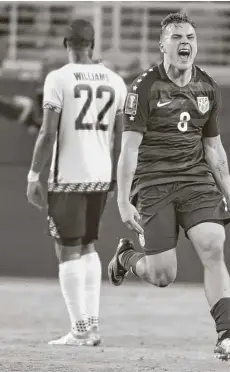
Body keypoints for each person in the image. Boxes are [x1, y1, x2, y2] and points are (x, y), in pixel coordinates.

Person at [108, 13, 230, 361]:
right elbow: (128, 149)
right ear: (162, 45)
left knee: (213, 245)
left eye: (189, 35)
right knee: (162, 276)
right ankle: (126, 256)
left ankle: (226, 337)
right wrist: (122, 201)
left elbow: (213, 148)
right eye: (175, 37)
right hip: (154, 183)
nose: (184, 41)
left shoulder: (207, 87)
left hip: (194, 180)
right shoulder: (143, 88)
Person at [26, 19, 127, 346]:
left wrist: (33, 174)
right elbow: (120, 137)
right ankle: (92, 325)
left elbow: (48, 131)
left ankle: (80, 329)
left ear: (67, 42)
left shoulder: (58, 78)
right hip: (100, 176)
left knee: (66, 250)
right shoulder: (116, 81)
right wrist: (115, 177)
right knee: (87, 247)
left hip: (67, 177)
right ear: (93, 44)